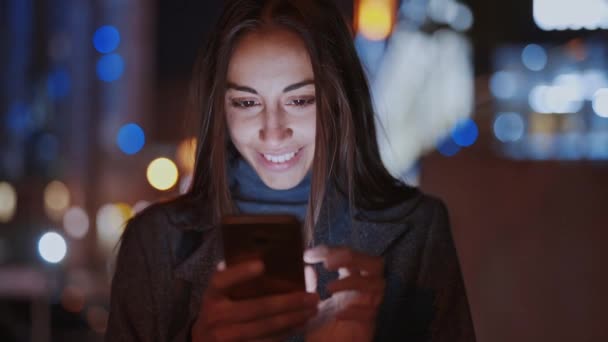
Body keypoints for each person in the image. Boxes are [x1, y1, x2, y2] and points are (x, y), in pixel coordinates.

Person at [105, 0, 476, 341]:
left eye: (299, 100)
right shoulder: (155, 241)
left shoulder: (418, 231)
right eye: (247, 102)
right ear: (220, 110)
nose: (273, 130)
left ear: (337, 100)